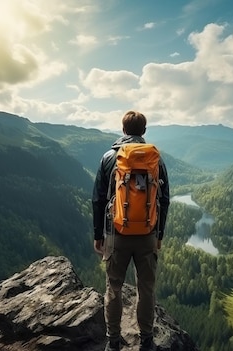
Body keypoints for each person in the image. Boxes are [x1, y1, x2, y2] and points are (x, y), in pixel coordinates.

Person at [92, 111, 170, 351]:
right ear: (143, 131)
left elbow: (97, 199)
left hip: (117, 234)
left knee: (113, 288)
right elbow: (164, 199)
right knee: (146, 289)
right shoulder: (155, 159)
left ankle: (113, 342)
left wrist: (98, 235)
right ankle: (146, 340)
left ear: (123, 129)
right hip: (147, 234)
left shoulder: (109, 157)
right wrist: (158, 235)